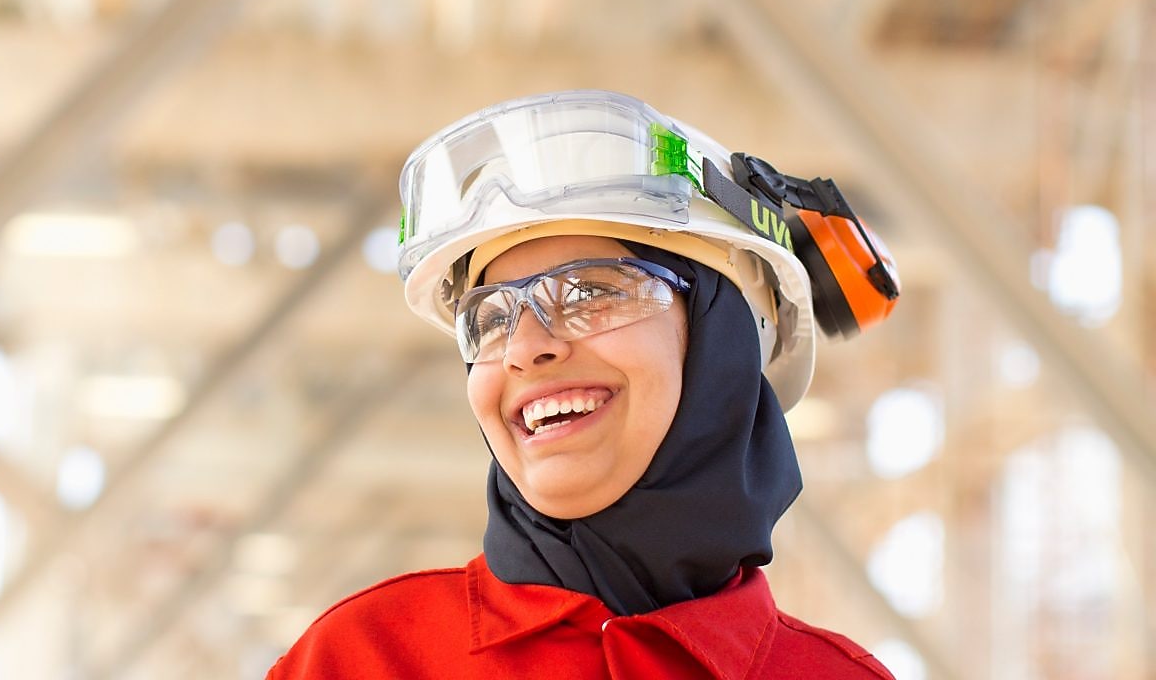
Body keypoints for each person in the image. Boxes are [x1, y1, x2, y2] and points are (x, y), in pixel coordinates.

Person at [268, 89, 900, 679]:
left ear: (724, 340)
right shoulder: (362, 658)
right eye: (491, 319)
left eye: (591, 292)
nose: (524, 349)